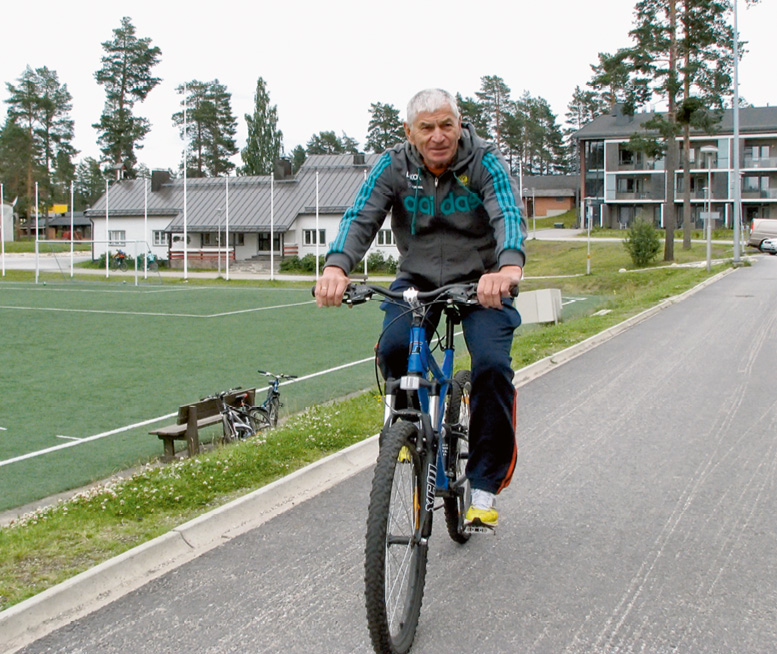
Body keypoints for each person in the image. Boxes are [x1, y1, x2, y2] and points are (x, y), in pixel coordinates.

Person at [315, 88, 526, 530]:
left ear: (459, 124)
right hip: (418, 279)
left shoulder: (484, 161)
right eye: (426, 128)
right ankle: (410, 437)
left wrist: (507, 267)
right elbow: (361, 216)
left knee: (489, 364)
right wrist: (337, 267)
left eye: (446, 125)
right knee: (393, 350)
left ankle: (484, 483)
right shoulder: (394, 165)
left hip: (482, 282)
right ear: (409, 132)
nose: (437, 136)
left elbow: (506, 210)